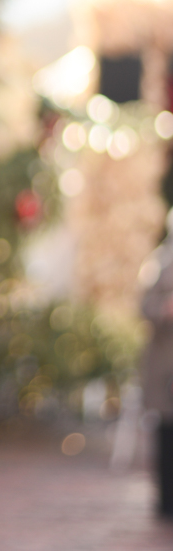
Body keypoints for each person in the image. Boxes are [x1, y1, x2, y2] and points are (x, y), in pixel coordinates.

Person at [141, 208, 173, 520]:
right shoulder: (161, 263)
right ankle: (165, 501)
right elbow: (143, 305)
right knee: (166, 432)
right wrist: (164, 308)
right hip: (167, 362)